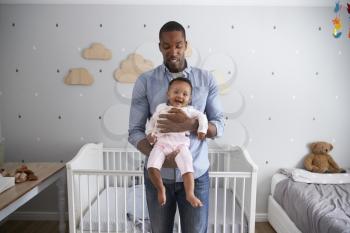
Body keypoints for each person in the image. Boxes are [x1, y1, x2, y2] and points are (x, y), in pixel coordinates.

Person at [128, 21, 224, 233]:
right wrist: (158, 153)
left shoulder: (206, 79)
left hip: (195, 174)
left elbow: (219, 125)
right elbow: (134, 131)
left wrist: (190, 124)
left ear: (186, 45)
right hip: (158, 175)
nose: (173, 51)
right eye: (167, 46)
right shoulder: (146, 81)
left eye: (178, 45)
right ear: (160, 46)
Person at [146, 77, 208, 208]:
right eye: (176, 92)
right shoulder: (161, 108)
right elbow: (152, 121)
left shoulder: (189, 111)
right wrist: (150, 134)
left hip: (180, 146)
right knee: (151, 167)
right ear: (168, 94)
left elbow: (202, 117)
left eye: (185, 94)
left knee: (188, 169)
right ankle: (160, 188)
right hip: (161, 144)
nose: (180, 96)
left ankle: (190, 194)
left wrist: (202, 129)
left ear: (189, 99)